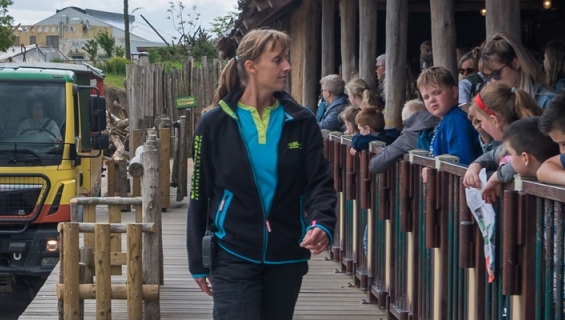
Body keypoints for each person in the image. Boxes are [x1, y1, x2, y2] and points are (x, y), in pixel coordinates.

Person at [187, 28, 336, 320]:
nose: (287, 67)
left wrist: (322, 223)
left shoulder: (302, 121)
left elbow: (319, 182)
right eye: (278, 60)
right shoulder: (213, 124)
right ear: (252, 67)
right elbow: (199, 194)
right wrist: (198, 261)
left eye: (287, 59)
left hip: (287, 254)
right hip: (232, 251)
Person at [461, 83, 544, 201]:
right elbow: (491, 155)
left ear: (494, 120)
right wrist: (475, 166)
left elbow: (521, 162)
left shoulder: (530, 138)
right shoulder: (509, 143)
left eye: (481, 120)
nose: (482, 126)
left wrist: (497, 177)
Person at [421, 66, 482, 165]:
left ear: (454, 92)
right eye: (426, 97)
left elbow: (460, 161)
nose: (431, 100)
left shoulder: (456, 119)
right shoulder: (448, 118)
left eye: (437, 93)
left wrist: (432, 172)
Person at [480, 33, 558, 108]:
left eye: (495, 74)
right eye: (487, 77)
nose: (492, 82)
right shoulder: (500, 105)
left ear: (515, 64)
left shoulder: (548, 103)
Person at [369, 100, 440, 174]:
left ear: (404, 122)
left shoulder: (407, 137)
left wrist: (390, 147)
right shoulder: (442, 123)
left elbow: (374, 166)